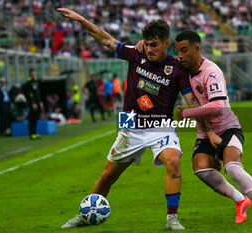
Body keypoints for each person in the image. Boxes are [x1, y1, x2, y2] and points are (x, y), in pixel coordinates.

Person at [58, 8, 200, 230]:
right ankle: (85, 215)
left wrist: (198, 117)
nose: (150, 49)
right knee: (107, 176)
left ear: (166, 44)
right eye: (147, 44)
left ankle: (172, 218)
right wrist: (82, 20)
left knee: (173, 162)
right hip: (130, 124)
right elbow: (105, 39)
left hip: (161, 126)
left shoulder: (177, 69)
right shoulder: (136, 53)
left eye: (155, 45)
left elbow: (191, 100)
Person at [175, 31, 252, 224]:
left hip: (228, 128)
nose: (179, 55)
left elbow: (217, 106)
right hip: (206, 133)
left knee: (232, 168)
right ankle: (241, 200)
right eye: (177, 51)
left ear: (196, 49)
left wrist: (186, 114)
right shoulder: (183, 72)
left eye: (184, 50)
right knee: (201, 170)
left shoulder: (211, 72)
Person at [22, 68, 44, 140]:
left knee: (36, 118)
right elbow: (29, 95)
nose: (33, 74)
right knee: (32, 118)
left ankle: (34, 132)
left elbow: (38, 93)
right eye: (32, 73)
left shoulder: (37, 82)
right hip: (33, 104)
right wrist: (32, 103)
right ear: (30, 74)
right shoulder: (28, 83)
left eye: (34, 73)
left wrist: (40, 102)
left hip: (38, 102)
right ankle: (31, 134)